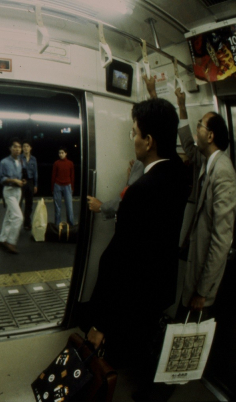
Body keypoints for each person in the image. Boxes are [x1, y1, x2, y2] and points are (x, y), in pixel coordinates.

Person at [81, 98, 189, 399]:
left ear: (149, 140)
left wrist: (100, 323)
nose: (133, 139)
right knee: (142, 339)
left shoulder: (141, 192)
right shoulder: (179, 172)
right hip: (160, 284)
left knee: (111, 360)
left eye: (134, 132)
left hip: (133, 291)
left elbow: (119, 260)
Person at [175, 88, 236, 321]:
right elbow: (188, 145)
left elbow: (222, 240)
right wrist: (181, 107)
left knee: (191, 329)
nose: (197, 130)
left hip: (203, 277)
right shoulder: (206, 159)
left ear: (210, 136)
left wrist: (203, 292)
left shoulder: (223, 173)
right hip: (194, 259)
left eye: (200, 125)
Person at [0, 137, 25, 254]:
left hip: (18, 191)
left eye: (19, 147)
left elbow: (19, 177)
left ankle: (2, 239)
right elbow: (1, 178)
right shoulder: (4, 162)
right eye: (15, 147)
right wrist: (14, 181)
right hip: (9, 191)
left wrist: (21, 181)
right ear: (10, 148)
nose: (18, 149)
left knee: (9, 216)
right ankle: (11, 241)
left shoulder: (20, 161)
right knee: (18, 217)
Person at [51, 146, 75, 226]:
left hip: (67, 185)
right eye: (59, 153)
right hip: (57, 185)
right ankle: (57, 225)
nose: (60, 154)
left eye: (62, 153)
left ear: (66, 153)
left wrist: (72, 187)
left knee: (69, 207)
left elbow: (72, 176)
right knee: (57, 207)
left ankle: (71, 224)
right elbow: (53, 176)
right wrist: (52, 188)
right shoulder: (56, 163)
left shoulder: (70, 163)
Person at [20, 140, 38, 230]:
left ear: (30, 148)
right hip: (21, 181)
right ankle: (18, 223)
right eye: (24, 146)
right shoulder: (19, 158)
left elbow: (35, 173)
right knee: (19, 203)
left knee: (29, 203)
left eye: (27, 146)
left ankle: (27, 223)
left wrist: (35, 185)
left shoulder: (33, 159)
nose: (25, 148)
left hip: (30, 182)